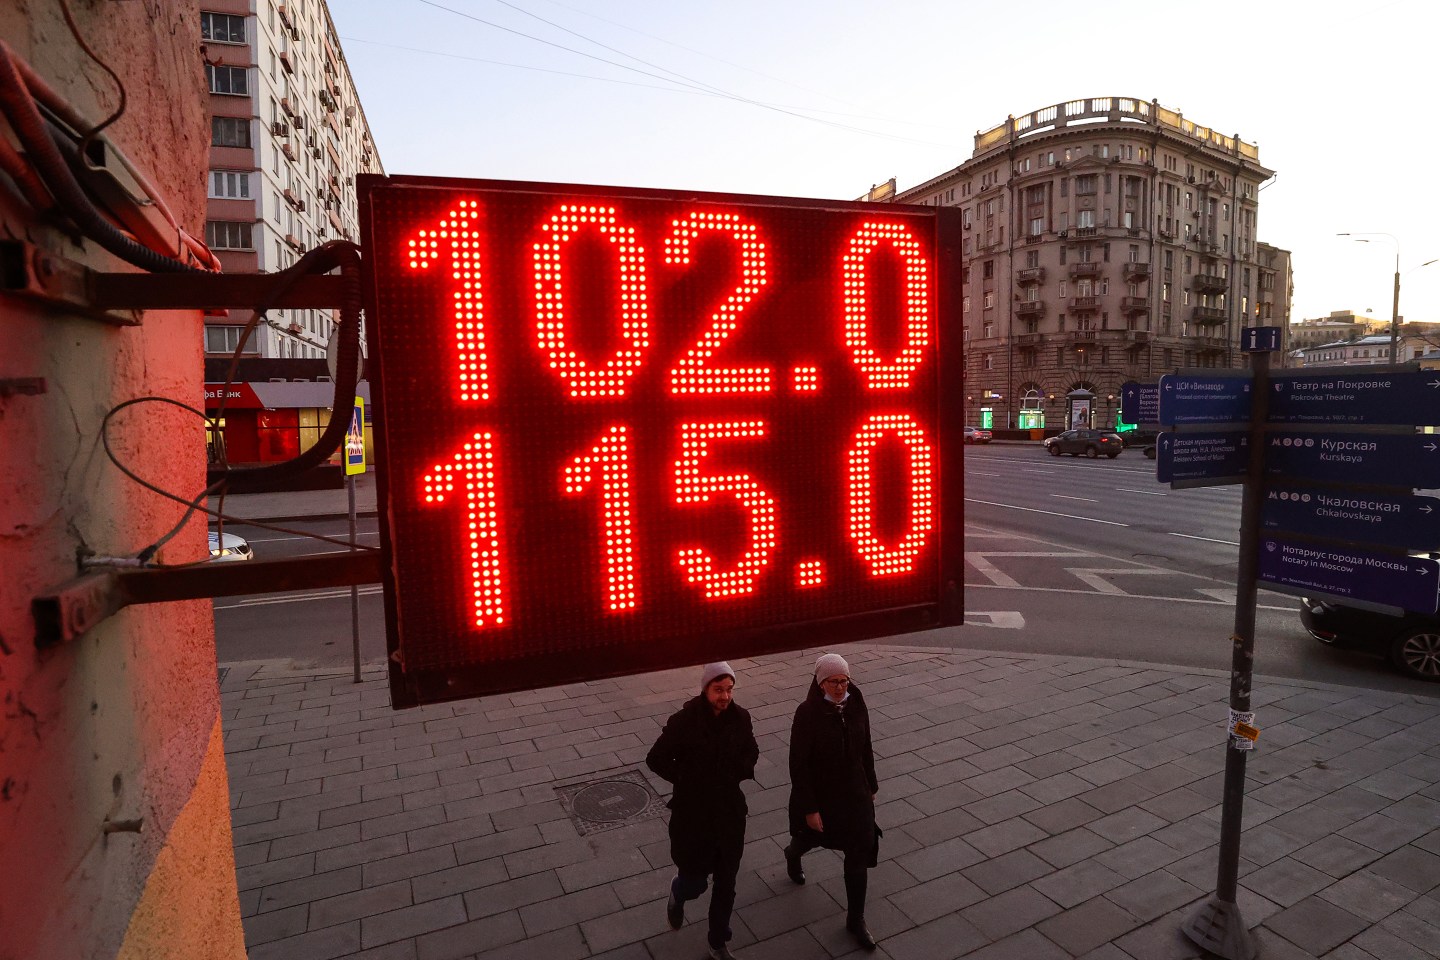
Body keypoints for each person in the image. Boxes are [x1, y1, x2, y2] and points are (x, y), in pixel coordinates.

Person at [646, 662, 759, 960]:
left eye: (729, 690)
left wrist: (741, 769)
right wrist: (685, 779)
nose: (725, 696)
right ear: (705, 689)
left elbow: (752, 750)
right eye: (718, 690)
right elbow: (655, 758)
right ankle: (678, 892)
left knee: (727, 883)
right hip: (693, 817)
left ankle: (718, 942)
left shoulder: (741, 718)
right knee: (695, 883)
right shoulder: (684, 721)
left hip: (729, 815)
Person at [784, 653, 880, 951]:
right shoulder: (807, 713)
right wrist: (810, 808)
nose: (839, 687)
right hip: (822, 795)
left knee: (858, 852)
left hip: (855, 793)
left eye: (843, 681)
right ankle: (793, 853)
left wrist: (871, 783)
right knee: (810, 837)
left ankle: (856, 919)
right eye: (832, 682)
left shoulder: (856, 704)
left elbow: (866, 744)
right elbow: (798, 765)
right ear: (819, 682)